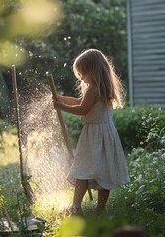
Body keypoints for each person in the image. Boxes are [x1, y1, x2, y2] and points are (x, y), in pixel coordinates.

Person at [52, 48, 129, 215]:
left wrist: (61, 106)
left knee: (83, 171)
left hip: (94, 137)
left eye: (81, 73)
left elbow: (82, 109)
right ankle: (98, 210)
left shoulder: (93, 89)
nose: (80, 77)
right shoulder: (103, 89)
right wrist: (60, 97)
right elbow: (80, 101)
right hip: (105, 136)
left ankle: (76, 207)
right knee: (103, 173)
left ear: (91, 70)